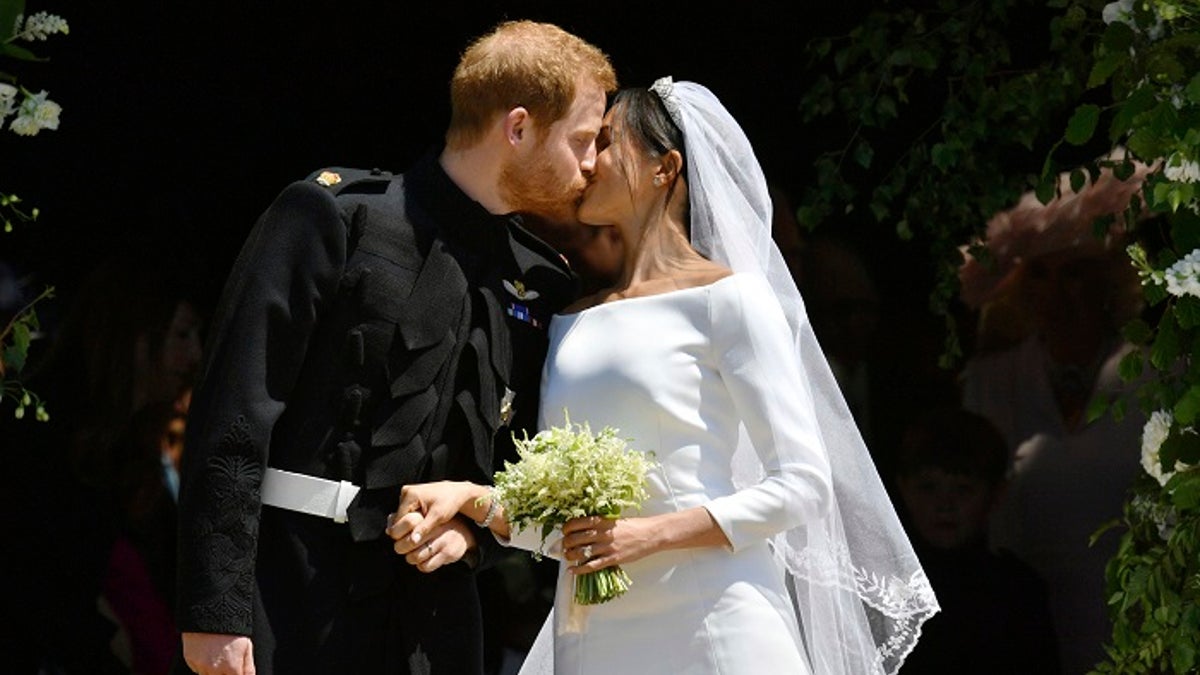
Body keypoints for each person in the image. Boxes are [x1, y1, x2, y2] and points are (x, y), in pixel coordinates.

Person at [387, 78, 938, 675]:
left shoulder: (730, 300)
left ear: (664, 169)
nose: (588, 163)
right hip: (595, 636)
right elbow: (564, 529)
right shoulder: (569, 319)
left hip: (717, 621)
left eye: (606, 144)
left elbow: (803, 485)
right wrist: (469, 499)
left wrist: (648, 536)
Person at [173, 20, 617, 675]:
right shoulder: (333, 217)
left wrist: (473, 533)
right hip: (290, 594)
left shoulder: (543, 282)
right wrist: (215, 610)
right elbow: (234, 411)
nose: (591, 165)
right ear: (517, 127)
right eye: (582, 140)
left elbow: (524, 462)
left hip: (433, 628)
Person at [957, 156, 1151, 674]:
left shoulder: (1152, 369)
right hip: (1024, 625)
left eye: (1076, 273)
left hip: (1135, 618)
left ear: (1106, 279)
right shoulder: (992, 378)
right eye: (1040, 274)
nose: (1058, 292)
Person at [1, 253, 204, 675]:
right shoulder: (47, 437)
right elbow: (42, 596)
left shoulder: (123, 446)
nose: (195, 355)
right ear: (134, 338)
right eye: (181, 335)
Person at [894, 406, 1059, 674]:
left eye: (962, 489)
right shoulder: (884, 589)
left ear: (996, 493)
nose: (944, 505)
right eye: (928, 487)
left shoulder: (1017, 591)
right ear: (903, 488)